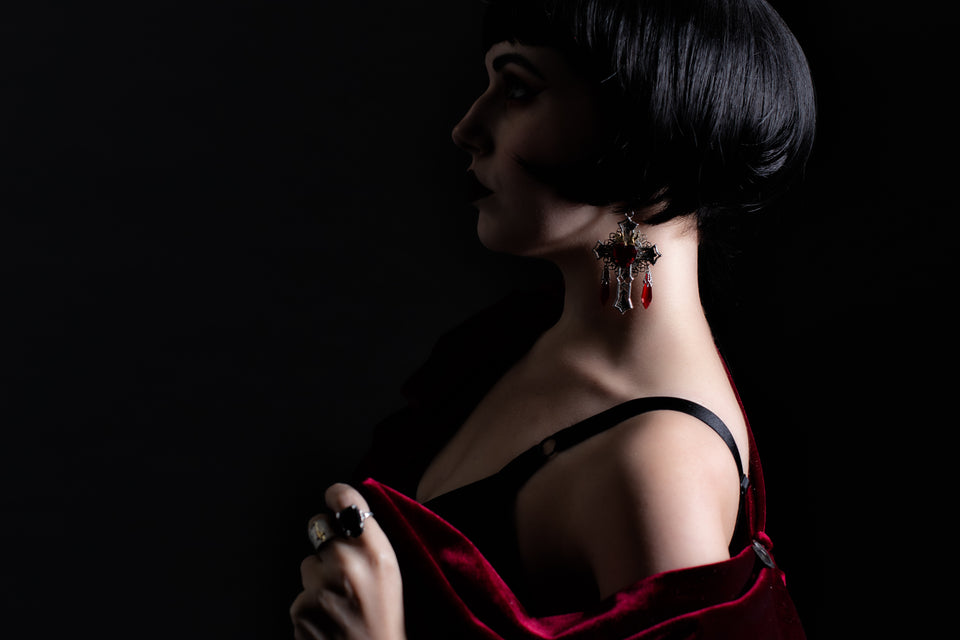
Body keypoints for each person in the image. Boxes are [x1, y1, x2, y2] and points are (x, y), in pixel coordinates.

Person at [290, 0, 816, 638]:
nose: (466, 128)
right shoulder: (518, 337)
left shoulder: (654, 469)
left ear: (642, 129)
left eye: (518, 88)